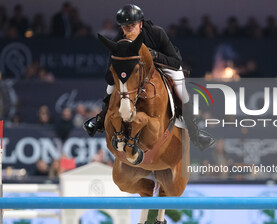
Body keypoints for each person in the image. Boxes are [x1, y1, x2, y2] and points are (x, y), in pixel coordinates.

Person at [83, 4, 214, 151]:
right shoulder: (119, 41)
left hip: (163, 65)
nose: (129, 30)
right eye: (125, 27)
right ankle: (100, 119)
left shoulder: (156, 33)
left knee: (181, 90)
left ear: (140, 23)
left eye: (132, 25)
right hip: (135, 72)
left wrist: (155, 55)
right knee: (110, 87)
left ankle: (194, 133)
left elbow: (175, 61)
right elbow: (109, 75)